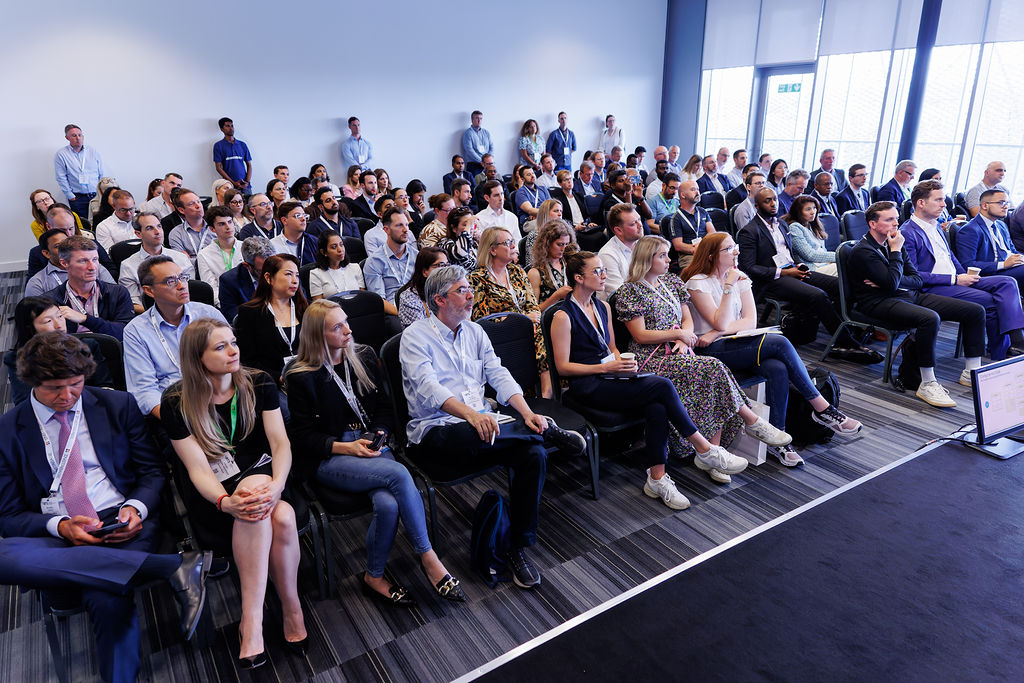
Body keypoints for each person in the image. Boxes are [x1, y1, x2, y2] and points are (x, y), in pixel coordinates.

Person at [0, 332, 210, 683]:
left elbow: (152, 472)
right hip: (58, 532)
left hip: (121, 521)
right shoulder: (8, 430)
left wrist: (136, 508)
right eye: (54, 388)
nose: (67, 396)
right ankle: (173, 566)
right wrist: (61, 526)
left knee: (106, 596)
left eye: (76, 384)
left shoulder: (116, 405)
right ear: (32, 382)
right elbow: (8, 516)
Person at [401, 265, 574, 589]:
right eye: (462, 290)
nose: (471, 295)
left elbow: (498, 373)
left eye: (470, 288)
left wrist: (526, 412)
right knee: (477, 429)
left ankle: (517, 547)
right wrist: (471, 414)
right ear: (439, 299)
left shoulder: (475, 331)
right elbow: (429, 388)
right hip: (437, 432)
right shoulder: (415, 336)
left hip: (488, 429)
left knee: (534, 453)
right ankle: (543, 429)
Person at [284, 300, 466, 605]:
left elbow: (384, 407)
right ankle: (429, 558)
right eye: (337, 327)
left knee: (388, 504)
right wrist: (347, 447)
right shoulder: (301, 376)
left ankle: (373, 576)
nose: (348, 330)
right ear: (317, 335)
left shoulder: (363, 356)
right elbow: (303, 437)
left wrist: (379, 434)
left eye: (346, 322)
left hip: (370, 443)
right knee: (399, 474)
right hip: (332, 454)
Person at [162, 319, 307, 668]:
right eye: (220, 346)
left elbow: (279, 443)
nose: (233, 351)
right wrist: (225, 502)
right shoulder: (176, 401)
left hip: (265, 473)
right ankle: (289, 608)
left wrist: (278, 484)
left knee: (264, 497)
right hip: (214, 491)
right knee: (283, 518)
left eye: (233, 342)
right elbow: (197, 468)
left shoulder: (258, 382)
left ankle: (253, 619)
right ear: (197, 357)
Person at [551, 249, 749, 503]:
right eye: (597, 271)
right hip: (586, 384)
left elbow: (611, 348)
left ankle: (657, 478)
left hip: (611, 376)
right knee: (662, 386)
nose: (604, 275)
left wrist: (622, 362)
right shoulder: (562, 316)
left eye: (604, 270)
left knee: (657, 407)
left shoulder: (602, 307)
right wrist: (605, 368)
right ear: (579, 278)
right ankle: (704, 447)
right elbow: (563, 368)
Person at [615, 236, 791, 480]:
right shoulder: (630, 291)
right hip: (650, 358)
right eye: (662, 256)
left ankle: (716, 453)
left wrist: (683, 338)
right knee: (713, 368)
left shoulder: (671, 282)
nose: (668, 260)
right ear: (646, 259)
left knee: (711, 376)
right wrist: (678, 334)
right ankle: (749, 423)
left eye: (667, 254)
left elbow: (686, 319)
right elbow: (640, 335)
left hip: (679, 351)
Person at [682, 233, 864, 465]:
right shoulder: (697, 282)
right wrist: (728, 287)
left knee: (777, 368)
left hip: (732, 342)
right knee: (779, 343)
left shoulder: (740, 277)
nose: (736, 251)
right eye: (728, 249)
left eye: (735, 246)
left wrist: (717, 331)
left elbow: (750, 322)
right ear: (711, 256)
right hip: (709, 351)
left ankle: (778, 441)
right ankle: (822, 408)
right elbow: (720, 321)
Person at [847, 202, 986, 407]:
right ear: (872, 224)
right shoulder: (864, 251)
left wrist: (893, 280)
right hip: (877, 302)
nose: (896, 224)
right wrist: (895, 256)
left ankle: (972, 372)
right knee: (929, 318)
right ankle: (927, 382)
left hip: (905, 295)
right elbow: (892, 283)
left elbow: (917, 279)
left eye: (896, 218)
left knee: (974, 311)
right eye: (889, 220)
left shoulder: (895, 241)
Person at [737, 188, 880, 362]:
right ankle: (845, 342)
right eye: (768, 201)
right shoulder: (750, 231)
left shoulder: (781, 224)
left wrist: (797, 266)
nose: (774, 203)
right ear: (757, 205)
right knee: (818, 295)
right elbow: (749, 267)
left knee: (840, 286)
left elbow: (789, 253)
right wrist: (784, 272)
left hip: (792, 270)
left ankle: (841, 331)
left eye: (775, 199)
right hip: (772, 279)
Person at [900, 180, 1024, 362]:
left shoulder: (936, 226)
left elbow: (951, 258)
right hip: (934, 287)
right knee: (992, 300)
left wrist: (963, 275)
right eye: (939, 200)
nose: (944, 204)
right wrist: (955, 279)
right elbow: (914, 276)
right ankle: (1002, 354)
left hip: (956, 279)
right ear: (921, 203)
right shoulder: (907, 232)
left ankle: (1017, 340)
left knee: (1008, 282)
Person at [123, 257, 227, 419]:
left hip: (218, 398)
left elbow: (232, 362)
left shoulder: (208, 314)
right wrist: (175, 422)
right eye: (171, 281)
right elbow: (144, 390)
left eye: (183, 277)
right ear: (149, 291)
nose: (182, 285)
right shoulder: (136, 331)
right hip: (173, 407)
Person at [470, 227, 552, 397]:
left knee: (543, 333)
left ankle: (546, 395)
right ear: (492, 250)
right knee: (539, 337)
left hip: (529, 328)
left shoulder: (517, 271)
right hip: (499, 334)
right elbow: (481, 318)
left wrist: (530, 321)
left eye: (513, 241)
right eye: (507, 243)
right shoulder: (477, 278)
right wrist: (523, 320)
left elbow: (532, 305)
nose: (514, 246)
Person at [3, 297, 114, 404]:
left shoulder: (87, 347)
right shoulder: (17, 359)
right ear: (29, 327)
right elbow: (24, 401)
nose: (59, 325)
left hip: (90, 407)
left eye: (60, 316)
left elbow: (105, 387)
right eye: (48, 321)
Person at [235, 254, 307, 389]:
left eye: (297, 275)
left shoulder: (304, 309)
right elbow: (247, 362)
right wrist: (279, 378)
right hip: (270, 383)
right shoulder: (250, 313)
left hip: (306, 378)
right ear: (268, 278)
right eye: (288, 274)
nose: (295, 281)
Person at [45, 235, 134, 340]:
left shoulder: (117, 292)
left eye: (95, 259)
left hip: (112, 350)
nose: (92, 267)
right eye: (83, 261)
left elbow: (126, 332)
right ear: (64, 263)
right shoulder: (51, 301)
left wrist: (85, 319)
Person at [117, 211, 194, 313]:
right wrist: (164, 312)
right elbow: (132, 304)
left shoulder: (180, 258)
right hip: (149, 315)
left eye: (159, 226)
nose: (157, 232)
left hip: (186, 311)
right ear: (138, 234)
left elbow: (193, 292)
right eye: (150, 228)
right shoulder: (128, 265)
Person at [955, 189, 1024, 289]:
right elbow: (967, 265)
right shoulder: (970, 230)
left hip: (1009, 267)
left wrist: (1020, 258)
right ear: (985, 206)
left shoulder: (1001, 225)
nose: (1006, 207)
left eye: (1006, 203)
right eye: (1001, 203)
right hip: (991, 273)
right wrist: (1003, 264)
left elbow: (1012, 251)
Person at [27, 228, 117, 299]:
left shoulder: (95, 267)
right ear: (46, 253)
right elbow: (37, 314)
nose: (66, 249)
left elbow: (115, 295)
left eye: (67, 244)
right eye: (58, 246)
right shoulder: (38, 283)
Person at [364, 207, 417, 316]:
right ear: (386, 230)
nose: (406, 230)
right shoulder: (374, 261)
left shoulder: (417, 256)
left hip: (418, 307)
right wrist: (403, 314)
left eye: (406, 225)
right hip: (393, 312)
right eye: (399, 225)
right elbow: (379, 300)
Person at [220, 236, 276, 324]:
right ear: (247, 266)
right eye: (263, 270)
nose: (270, 274)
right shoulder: (229, 281)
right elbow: (233, 318)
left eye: (272, 267)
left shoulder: (285, 272)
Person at [54, 124, 105, 220]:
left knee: (99, 222)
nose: (78, 138)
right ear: (67, 138)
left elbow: (100, 173)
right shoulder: (61, 154)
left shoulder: (92, 151)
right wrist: (70, 196)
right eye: (74, 135)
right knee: (83, 224)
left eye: (80, 135)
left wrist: (102, 192)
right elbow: (61, 177)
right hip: (78, 198)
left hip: (96, 196)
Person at [661, 180, 715, 269]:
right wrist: (697, 249)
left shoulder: (702, 211)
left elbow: (712, 232)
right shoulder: (675, 219)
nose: (697, 192)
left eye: (698, 189)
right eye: (693, 189)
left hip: (706, 250)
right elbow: (678, 245)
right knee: (702, 270)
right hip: (689, 255)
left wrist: (703, 247)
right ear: (683, 195)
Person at [197, 206, 243, 306]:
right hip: (224, 304)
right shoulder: (204, 255)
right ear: (212, 229)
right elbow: (211, 288)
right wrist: (226, 305)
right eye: (222, 224)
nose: (228, 227)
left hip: (250, 301)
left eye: (230, 222)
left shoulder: (246, 247)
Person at [597, 203, 644, 298]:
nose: (640, 225)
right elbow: (620, 295)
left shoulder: (643, 244)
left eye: (639, 219)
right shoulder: (607, 255)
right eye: (633, 224)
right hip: (623, 304)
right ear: (618, 230)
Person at [527, 221, 574, 311]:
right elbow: (534, 311)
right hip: (550, 316)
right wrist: (556, 296)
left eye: (567, 244)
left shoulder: (570, 264)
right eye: (560, 244)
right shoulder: (535, 273)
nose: (564, 249)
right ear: (547, 244)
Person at [396, 248, 448, 328]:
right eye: (440, 266)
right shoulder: (409, 299)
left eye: (446, 265)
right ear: (424, 272)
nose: (446, 271)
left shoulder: (449, 291)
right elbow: (421, 332)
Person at [786, 195, 837, 275]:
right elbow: (810, 255)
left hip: (823, 263)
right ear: (798, 212)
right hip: (812, 268)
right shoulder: (794, 227)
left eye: (814, 208)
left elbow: (822, 250)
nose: (813, 212)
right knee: (843, 267)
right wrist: (838, 256)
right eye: (808, 209)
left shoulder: (812, 225)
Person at [309, 229, 364, 299]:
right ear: (323, 252)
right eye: (334, 247)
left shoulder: (355, 268)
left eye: (341, 245)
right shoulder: (316, 274)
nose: (340, 250)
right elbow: (318, 304)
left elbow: (363, 298)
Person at [167, 189, 214, 268]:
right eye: (192, 204)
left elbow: (223, 255)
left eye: (198, 201)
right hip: (192, 274)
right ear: (181, 210)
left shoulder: (215, 226)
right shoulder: (176, 234)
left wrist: (191, 259)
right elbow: (182, 262)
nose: (198, 206)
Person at [521, 200, 566, 269]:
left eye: (561, 211)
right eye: (556, 211)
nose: (560, 214)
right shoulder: (535, 235)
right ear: (545, 214)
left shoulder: (564, 234)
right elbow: (533, 263)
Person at [270, 201, 317, 266]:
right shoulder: (272, 246)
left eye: (304, 215)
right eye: (298, 216)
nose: (303, 219)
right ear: (284, 220)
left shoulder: (314, 242)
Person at [212, 117, 252, 193]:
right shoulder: (218, 145)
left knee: (249, 200)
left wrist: (247, 182)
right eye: (227, 126)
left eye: (232, 126)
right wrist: (233, 183)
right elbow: (218, 167)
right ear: (222, 129)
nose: (231, 128)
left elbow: (249, 165)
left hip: (245, 186)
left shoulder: (242, 144)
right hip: (229, 186)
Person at [461, 111, 493, 177]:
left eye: (481, 118)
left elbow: (492, 147)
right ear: (472, 120)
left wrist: (489, 160)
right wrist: (482, 161)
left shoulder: (486, 132)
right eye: (477, 118)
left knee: (491, 181)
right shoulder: (468, 133)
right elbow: (469, 150)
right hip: (474, 165)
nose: (479, 120)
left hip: (487, 164)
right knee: (477, 183)